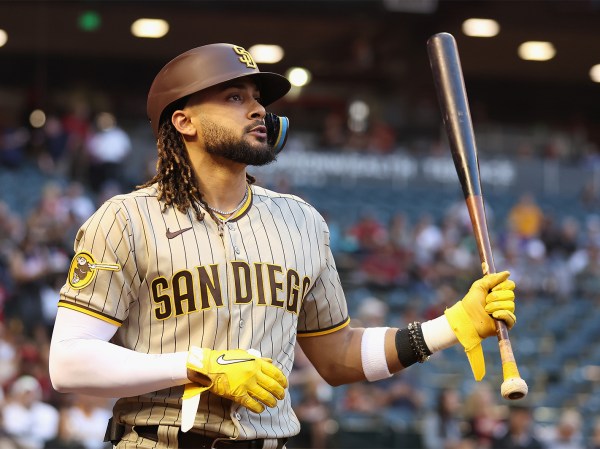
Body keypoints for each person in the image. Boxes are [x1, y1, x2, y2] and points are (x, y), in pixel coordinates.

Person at [49, 43, 518, 449]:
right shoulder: (125, 219)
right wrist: (198, 366)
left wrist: (449, 326)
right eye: (234, 97)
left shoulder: (302, 222)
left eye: (257, 100)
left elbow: (337, 357)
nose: (258, 110)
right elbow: (69, 364)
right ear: (183, 121)